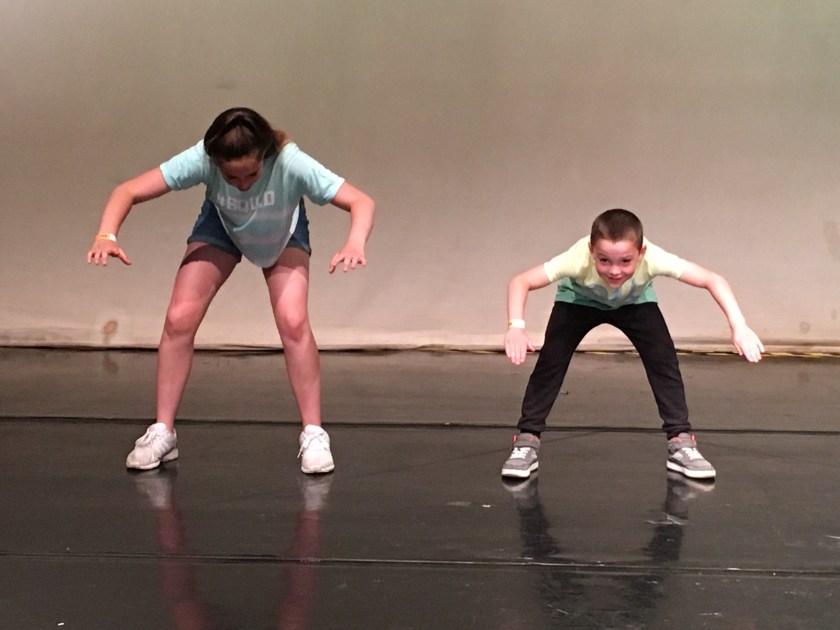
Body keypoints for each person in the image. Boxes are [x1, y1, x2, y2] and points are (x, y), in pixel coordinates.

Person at [87, 107, 375, 474]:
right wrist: (106, 234)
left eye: (252, 174)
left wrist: (355, 242)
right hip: (222, 227)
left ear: (266, 156)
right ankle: (163, 431)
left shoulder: (290, 161)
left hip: (281, 231)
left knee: (293, 321)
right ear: (215, 163)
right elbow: (127, 191)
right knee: (179, 318)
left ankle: (314, 433)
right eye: (231, 176)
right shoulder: (202, 158)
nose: (242, 184)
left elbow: (361, 201)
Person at [501, 208, 763, 481]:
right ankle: (527, 439)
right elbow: (521, 281)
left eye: (626, 261)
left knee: (663, 362)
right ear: (591, 251)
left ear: (641, 252)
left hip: (635, 304)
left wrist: (739, 325)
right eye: (604, 260)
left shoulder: (655, 257)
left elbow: (712, 279)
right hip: (578, 303)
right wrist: (516, 326)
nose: (615, 271)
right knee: (551, 363)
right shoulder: (576, 258)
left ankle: (681, 440)